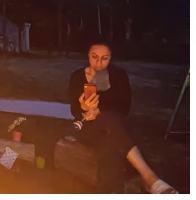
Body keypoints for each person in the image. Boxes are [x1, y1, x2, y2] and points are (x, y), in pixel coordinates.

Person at [67, 43, 175, 193]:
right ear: (88, 56)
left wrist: (100, 111)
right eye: (94, 57)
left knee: (109, 146)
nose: (99, 63)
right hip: (88, 127)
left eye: (104, 58)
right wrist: (84, 109)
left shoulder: (118, 76)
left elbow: (124, 108)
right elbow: (74, 109)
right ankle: (150, 179)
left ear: (111, 58)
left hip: (114, 126)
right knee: (111, 127)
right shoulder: (78, 76)